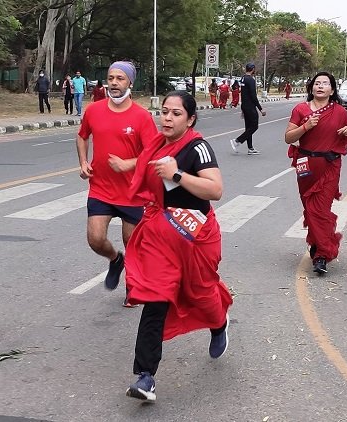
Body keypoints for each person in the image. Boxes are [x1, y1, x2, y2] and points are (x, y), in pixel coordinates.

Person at [123, 91, 233, 402]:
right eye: (165, 112)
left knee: (201, 293)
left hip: (195, 237)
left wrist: (177, 174)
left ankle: (219, 322)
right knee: (154, 297)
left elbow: (215, 189)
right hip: (161, 237)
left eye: (176, 114)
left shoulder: (197, 148)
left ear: (190, 119)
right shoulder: (157, 145)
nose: (167, 118)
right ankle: (146, 377)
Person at [76, 61, 158, 307]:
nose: (114, 82)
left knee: (132, 244)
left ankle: (133, 286)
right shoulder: (94, 110)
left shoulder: (142, 117)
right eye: (111, 77)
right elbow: (82, 136)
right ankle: (114, 260)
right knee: (95, 239)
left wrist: (128, 164)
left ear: (130, 82)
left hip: (132, 192)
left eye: (120, 78)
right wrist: (83, 162)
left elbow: (152, 154)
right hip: (100, 188)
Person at [283, 71, 347, 275]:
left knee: (320, 209)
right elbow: (288, 137)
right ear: (311, 87)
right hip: (305, 164)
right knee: (309, 209)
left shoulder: (339, 111)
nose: (320, 86)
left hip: (329, 165)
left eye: (325, 83)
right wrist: (305, 126)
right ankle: (317, 242)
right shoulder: (300, 109)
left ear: (332, 89)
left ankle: (321, 255)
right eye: (317, 83)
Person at [230, 63, 266, 155]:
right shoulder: (250, 80)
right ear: (253, 69)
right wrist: (260, 109)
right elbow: (253, 96)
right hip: (250, 106)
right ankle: (237, 141)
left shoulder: (243, 78)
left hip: (245, 105)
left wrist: (243, 108)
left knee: (248, 128)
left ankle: (250, 148)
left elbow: (243, 94)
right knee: (254, 126)